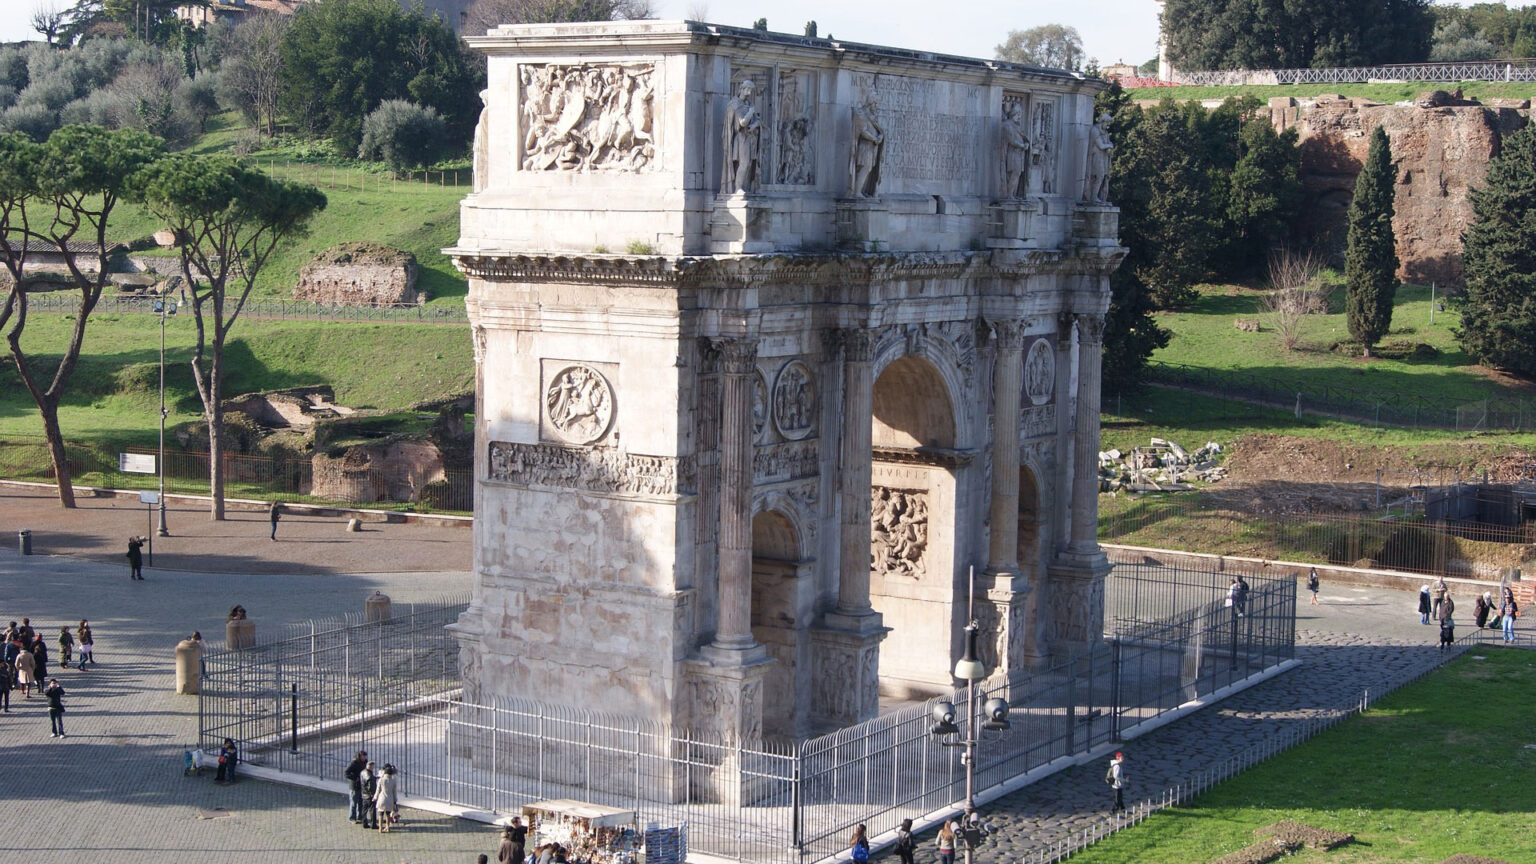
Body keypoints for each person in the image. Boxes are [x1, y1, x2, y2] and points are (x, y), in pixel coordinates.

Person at [345, 750, 369, 822]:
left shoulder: (365, 762)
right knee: (353, 802)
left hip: (362, 786)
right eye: (363, 756)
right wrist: (355, 778)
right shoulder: (354, 763)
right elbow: (346, 773)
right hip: (354, 786)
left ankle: (360, 816)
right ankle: (352, 817)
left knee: (361, 802)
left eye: (365, 756)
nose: (364, 758)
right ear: (360, 756)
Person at [375, 764, 398, 832]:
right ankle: (387, 827)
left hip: (382, 798)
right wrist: (395, 800)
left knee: (380, 814)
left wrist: (375, 797)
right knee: (388, 814)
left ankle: (380, 828)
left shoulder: (381, 780)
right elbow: (394, 792)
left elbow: (378, 790)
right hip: (390, 798)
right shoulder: (393, 781)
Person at [360, 761, 379, 829]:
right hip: (370, 795)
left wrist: (375, 778)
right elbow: (371, 787)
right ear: (371, 767)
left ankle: (364, 823)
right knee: (372, 810)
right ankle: (373, 824)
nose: (373, 768)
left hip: (364, 794)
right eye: (373, 767)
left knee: (364, 810)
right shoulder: (370, 776)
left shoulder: (362, 772)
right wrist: (373, 795)